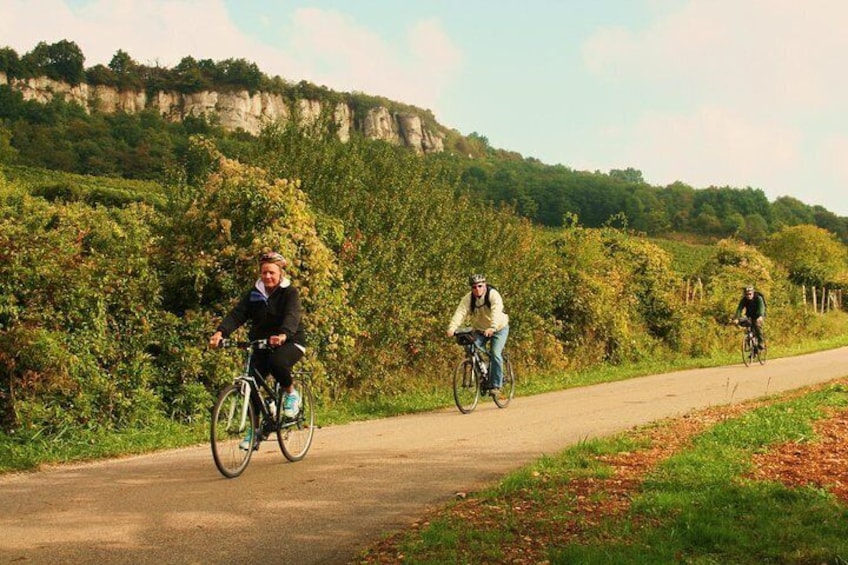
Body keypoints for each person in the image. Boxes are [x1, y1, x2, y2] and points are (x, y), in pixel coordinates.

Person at [209, 251, 306, 450]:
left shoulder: (290, 293)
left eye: (271, 272)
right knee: (251, 384)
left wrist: (283, 335)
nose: (267, 277)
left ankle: (290, 393)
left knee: (277, 363)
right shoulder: (254, 293)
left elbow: (292, 316)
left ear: (280, 273)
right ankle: (254, 431)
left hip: (290, 341)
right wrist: (220, 332)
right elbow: (238, 315)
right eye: (264, 273)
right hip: (261, 343)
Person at [446, 274, 510, 393]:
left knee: (495, 353)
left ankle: (496, 385)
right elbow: (460, 313)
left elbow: (496, 310)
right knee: (470, 347)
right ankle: (482, 371)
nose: (477, 289)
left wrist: (493, 327)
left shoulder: (493, 295)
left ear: (485, 285)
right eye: (474, 287)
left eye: (480, 286)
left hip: (499, 328)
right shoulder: (468, 299)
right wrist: (452, 328)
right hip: (480, 330)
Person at [735, 285, 766, 351]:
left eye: (750, 294)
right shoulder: (744, 300)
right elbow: (739, 309)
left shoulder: (758, 298)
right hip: (749, 316)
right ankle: (752, 347)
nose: (748, 296)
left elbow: (761, 308)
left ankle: (761, 342)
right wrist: (737, 318)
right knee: (747, 328)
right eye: (746, 294)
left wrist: (760, 316)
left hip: (759, 315)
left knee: (757, 326)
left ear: (753, 293)